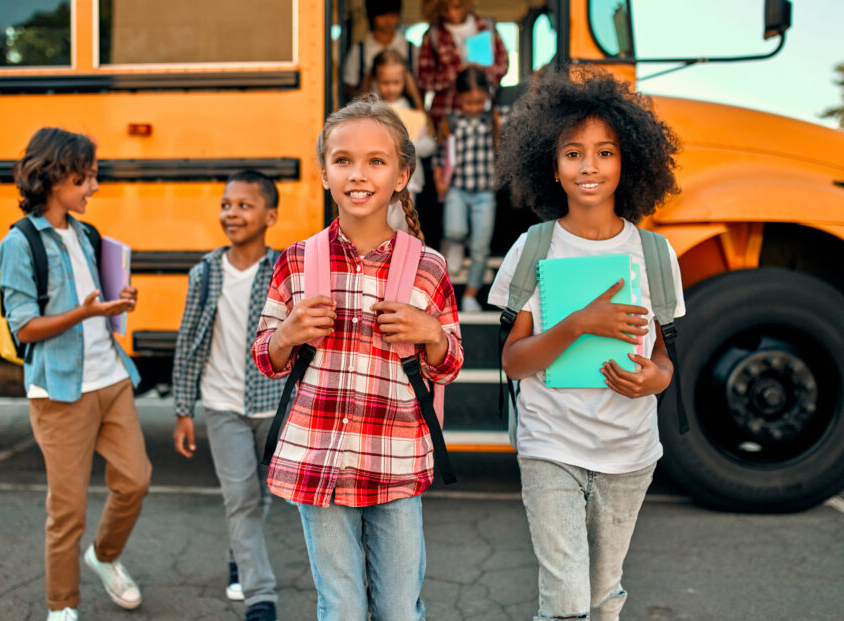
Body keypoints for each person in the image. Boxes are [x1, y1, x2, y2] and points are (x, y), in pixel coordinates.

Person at [252, 94, 464, 621]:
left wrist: (430, 333)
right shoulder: (296, 261)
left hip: (394, 460)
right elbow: (265, 355)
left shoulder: (428, 268)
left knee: (398, 609)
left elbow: (450, 362)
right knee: (340, 607)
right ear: (325, 173)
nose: (358, 173)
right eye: (343, 160)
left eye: (376, 160)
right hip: (317, 459)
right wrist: (289, 334)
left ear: (401, 174)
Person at [487, 68, 684, 621]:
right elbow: (513, 361)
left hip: (630, 452)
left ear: (628, 162)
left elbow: (666, 356)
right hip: (551, 445)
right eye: (573, 153)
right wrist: (576, 323)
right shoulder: (535, 248)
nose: (590, 167)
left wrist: (656, 378)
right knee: (567, 600)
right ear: (552, 166)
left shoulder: (655, 254)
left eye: (605, 152)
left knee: (603, 596)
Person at [0, 128, 151, 621]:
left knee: (136, 481)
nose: (94, 188)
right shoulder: (20, 244)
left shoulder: (87, 235)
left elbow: (96, 305)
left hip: (110, 379)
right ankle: (61, 606)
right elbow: (24, 326)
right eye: (86, 177)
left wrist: (115, 307)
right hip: (60, 391)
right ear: (55, 177)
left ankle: (104, 557)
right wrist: (83, 314)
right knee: (67, 512)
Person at [171, 170, 284, 621]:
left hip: (274, 405)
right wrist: (183, 410)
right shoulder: (204, 273)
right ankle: (261, 597)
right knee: (240, 498)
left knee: (262, 494)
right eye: (225, 205)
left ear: (270, 215)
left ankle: (241, 551)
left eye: (244, 205)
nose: (231, 213)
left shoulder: (284, 271)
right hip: (222, 407)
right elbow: (188, 343)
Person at [434, 66, 499, 312]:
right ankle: (457, 243)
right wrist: (441, 181)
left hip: (484, 192)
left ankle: (471, 294)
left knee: (482, 246)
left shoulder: (491, 118)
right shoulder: (452, 121)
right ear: (458, 98)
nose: (474, 106)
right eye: (469, 102)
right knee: (455, 230)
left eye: (479, 101)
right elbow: (442, 155)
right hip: (457, 189)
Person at [362, 48, 437, 233]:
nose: (391, 87)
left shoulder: (414, 109)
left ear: (405, 80)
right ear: (375, 80)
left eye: (396, 82)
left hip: (408, 182)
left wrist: (406, 147)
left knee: (402, 232)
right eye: (385, 82)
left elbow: (430, 145)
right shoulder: (367, 109)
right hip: (375, 181)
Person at [417, 0, 509, 131]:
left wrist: (481, 71)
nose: (451, 13)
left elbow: (503, 64)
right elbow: (424, 79)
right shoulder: (433, 35)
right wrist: (454, 73)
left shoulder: (486, 27)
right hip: (446, 115)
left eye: (456, 7)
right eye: (444, 9)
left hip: (484, 113)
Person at [341, 0, 418, 103]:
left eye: (392, 15)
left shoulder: (410, 48)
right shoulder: (359, 51)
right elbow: (349, 88)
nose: (388, 20)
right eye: (382, 15)